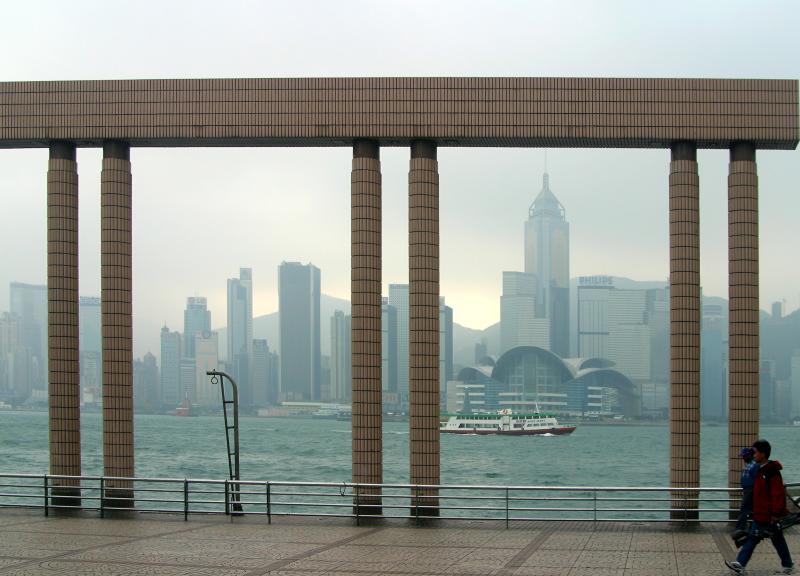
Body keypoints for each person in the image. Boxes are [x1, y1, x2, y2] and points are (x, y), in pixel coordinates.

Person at [725, 439, 795, 575]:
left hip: (769, 515)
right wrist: (753, 510)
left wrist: (775, 513)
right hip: (761, 513)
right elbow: (757, 493)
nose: (753, 455)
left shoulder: (771, 472)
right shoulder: (760, 470)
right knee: (769, 538)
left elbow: (778, 493)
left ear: (763, 454)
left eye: (755, 452)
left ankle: (740, 563)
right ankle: (787, 565)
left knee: (762, 539)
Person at [732, 447, 759, 540]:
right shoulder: (748, 464)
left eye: (744, 456)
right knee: (751, 510)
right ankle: (752, 527)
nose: (743, 458)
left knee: (744, 509)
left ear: (750, 455)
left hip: (750, 490)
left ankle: (739, 528)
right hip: (747, 490)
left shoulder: (755, 465)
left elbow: (756, 479)